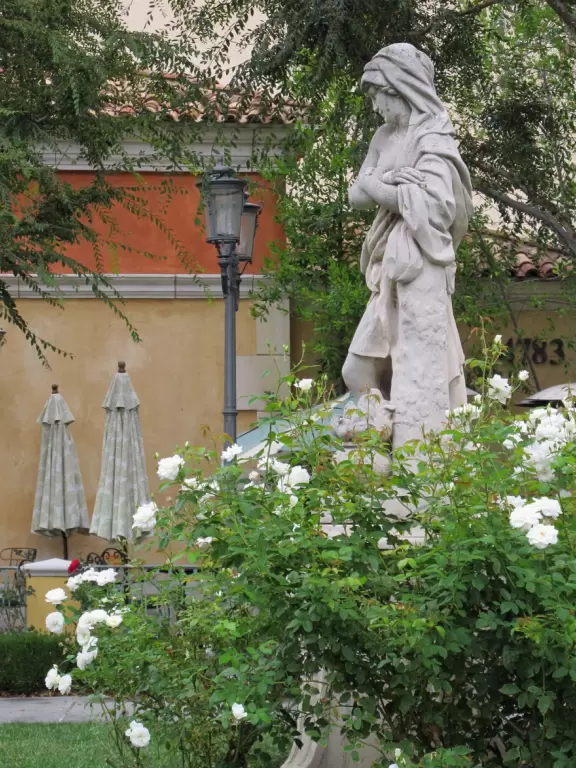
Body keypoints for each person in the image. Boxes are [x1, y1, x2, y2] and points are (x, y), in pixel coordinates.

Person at [343, 43, 473, 448]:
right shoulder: (384, 136)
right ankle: (378, 426)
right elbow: (356, 194)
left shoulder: (434, 136)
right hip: (390, 260)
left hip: (418, 258)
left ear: (398, 89)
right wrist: (394, 181)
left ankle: (415, 455)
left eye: (378, 95)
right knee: (355, 370)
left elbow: (436, 206)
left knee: (417, 370)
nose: (375, 105)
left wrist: (381, 183)